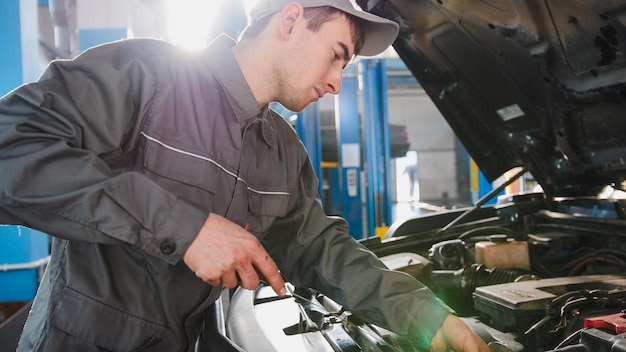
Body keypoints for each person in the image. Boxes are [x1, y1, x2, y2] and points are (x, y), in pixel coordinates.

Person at [0, 0, 490, 351]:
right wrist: (185, 229)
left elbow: (319, 248)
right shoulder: (146, 76)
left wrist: (428, 316)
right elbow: (10, 149)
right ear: (293, 18)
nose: (338, 82)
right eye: (338, 54)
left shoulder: (282, 151)